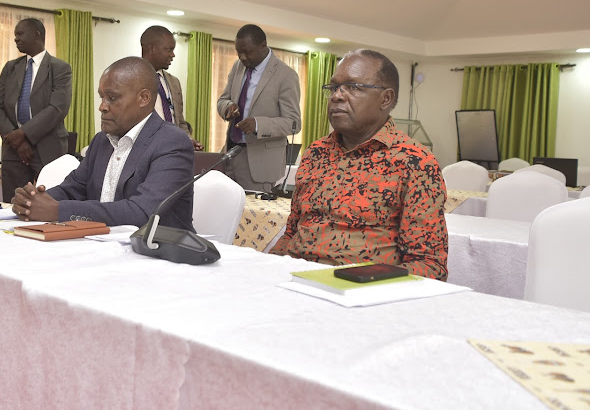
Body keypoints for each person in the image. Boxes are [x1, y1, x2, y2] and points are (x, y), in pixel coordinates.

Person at [270, 49, 448, 280]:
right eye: (334, 88)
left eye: (353, 87)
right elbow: (292, 234)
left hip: (362, 293)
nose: (337, 96)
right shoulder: (316, 154)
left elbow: (429, 265)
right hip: (295, 281)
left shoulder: (414, 163)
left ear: (386, 99)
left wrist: (365, 285)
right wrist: (269, 269)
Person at [11, 56, 195, 230]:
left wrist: (58, 211)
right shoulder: (101, 141)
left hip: (157, 255)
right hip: (102, 246)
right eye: (101, 97)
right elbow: (73, 189)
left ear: (144, 98)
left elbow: (142, 213)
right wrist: (32, 201)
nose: (102, 106)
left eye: (112, 98)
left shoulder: (171, 142)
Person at [0, 18, 73, 202]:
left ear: (37, 34)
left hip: (48, 147)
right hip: (13, 148)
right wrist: (17, 139)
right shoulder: (10, 67)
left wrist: (24, 134)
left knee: (52, 203)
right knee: (12, 204)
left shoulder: (60, 68)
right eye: (15, 35)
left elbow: (57, 108)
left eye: (20, 34)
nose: (15, 39)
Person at [216, 24, 301, 191]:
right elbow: (222, 100)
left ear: (263, 45)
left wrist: (258, 125)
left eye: (247, 52)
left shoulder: (286, 75)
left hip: (261, 163)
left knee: (253, 215)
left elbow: (294, 123)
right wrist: (227, 107)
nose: (242, 57)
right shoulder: (238, 67)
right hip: (231, 154)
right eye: (238, 52)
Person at [140, 25, 203, 151]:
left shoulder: (174, 82)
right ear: (151, 48)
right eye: (169, 49)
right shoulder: (131, 78)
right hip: (145, 149)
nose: (173, 55)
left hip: (172, 149)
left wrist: (188, 139)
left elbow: (180, 121)